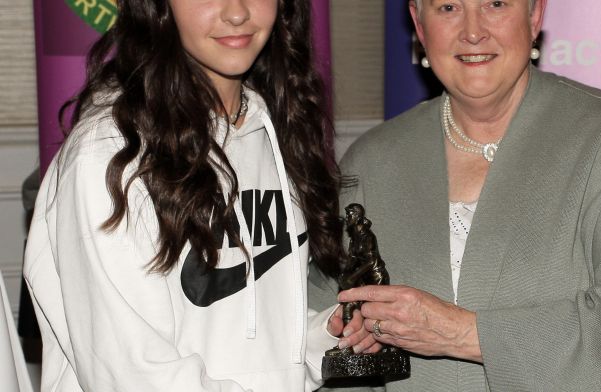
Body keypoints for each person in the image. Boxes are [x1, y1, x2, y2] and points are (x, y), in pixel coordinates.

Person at [309, 0, 601, 390]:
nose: (473, 31)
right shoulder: (371, 161)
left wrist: (464, 333)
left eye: (496, 4)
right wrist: (341, 329)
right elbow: (317, 317)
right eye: (448, 7)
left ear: (535, 15)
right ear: (419, 24)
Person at [23, 0, 375, 391]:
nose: (237, 12)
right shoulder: (109, 153)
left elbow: (244, 335)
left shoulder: (274, 128)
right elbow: (133, 375)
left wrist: (323, 336)